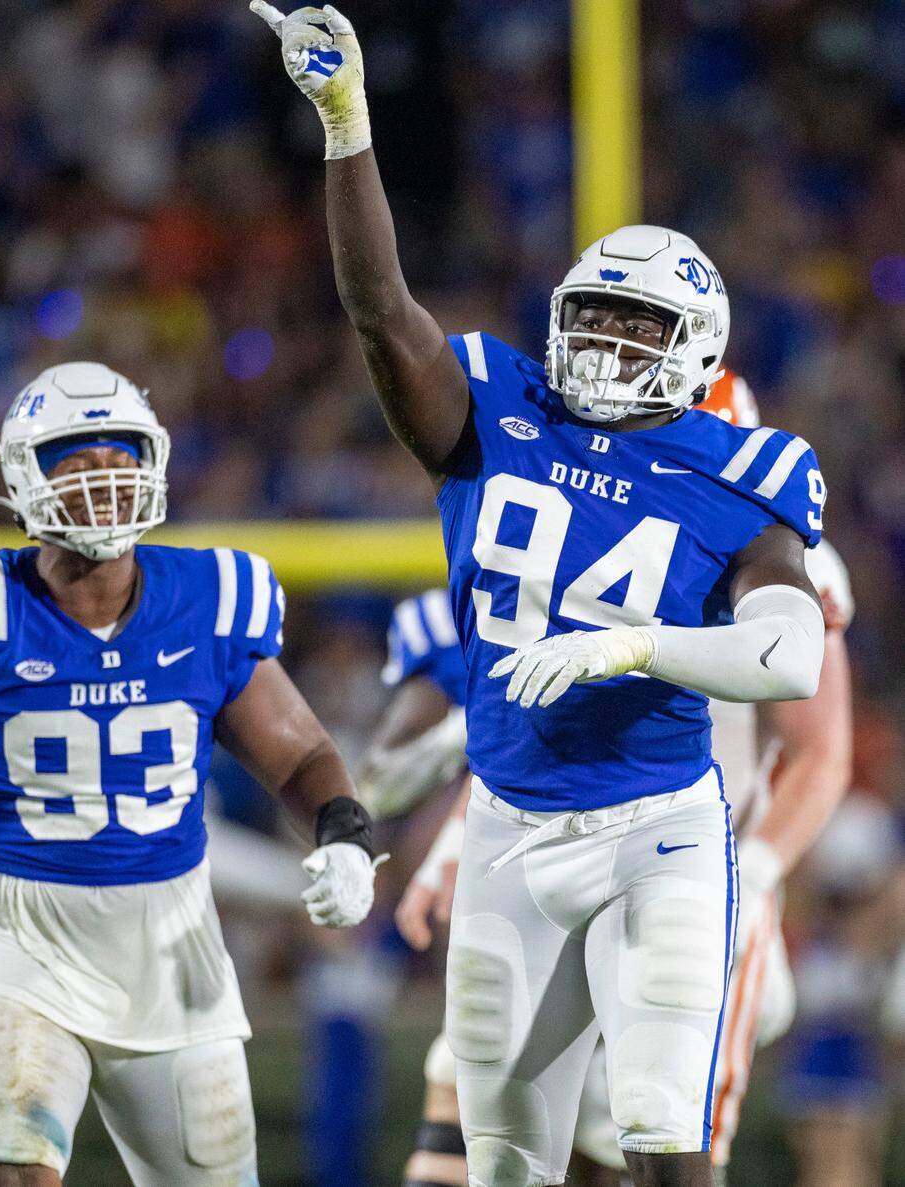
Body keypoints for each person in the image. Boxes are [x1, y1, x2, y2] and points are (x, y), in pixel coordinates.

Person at [254, 9, 827, 1185]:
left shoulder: (741, 467)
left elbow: (793, 656)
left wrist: (633, 651)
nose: (611, 342)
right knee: (508, 1161)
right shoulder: (496, 411)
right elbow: (380, 309)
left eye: (641, 324)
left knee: (664, 1134)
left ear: (698, 348)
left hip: (659, 829)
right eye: (597, 315)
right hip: (508, 827)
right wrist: (348, 128)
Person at [0, 361, 382, 1186]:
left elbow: (301, 751)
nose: (102, 474)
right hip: (17, 943)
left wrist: (343, 830)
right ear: (23, 475)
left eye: (119, 452)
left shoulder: (208, 595)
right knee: (7, 1170)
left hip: (171, 948)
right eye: (75, 456)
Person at [366, 381, 855, 1187]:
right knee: (477, 1105)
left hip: (682, 873)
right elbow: (540, 733)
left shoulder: (775, 545)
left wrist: (754, 881)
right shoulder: (579, 508)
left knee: (652, 1137)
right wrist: (459, 838)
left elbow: (818, 754)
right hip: (550, 846)